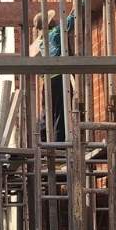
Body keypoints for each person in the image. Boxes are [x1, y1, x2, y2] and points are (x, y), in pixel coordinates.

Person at [35, 9, 75, 143]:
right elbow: (69, 22)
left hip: (47, 81)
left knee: (47, 113)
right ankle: (59, 144)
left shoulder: (42, 41)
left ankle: (43, 141)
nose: (56, 20)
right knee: (61, 113)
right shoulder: (56, 33)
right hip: (59, 79)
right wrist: (77, 5)